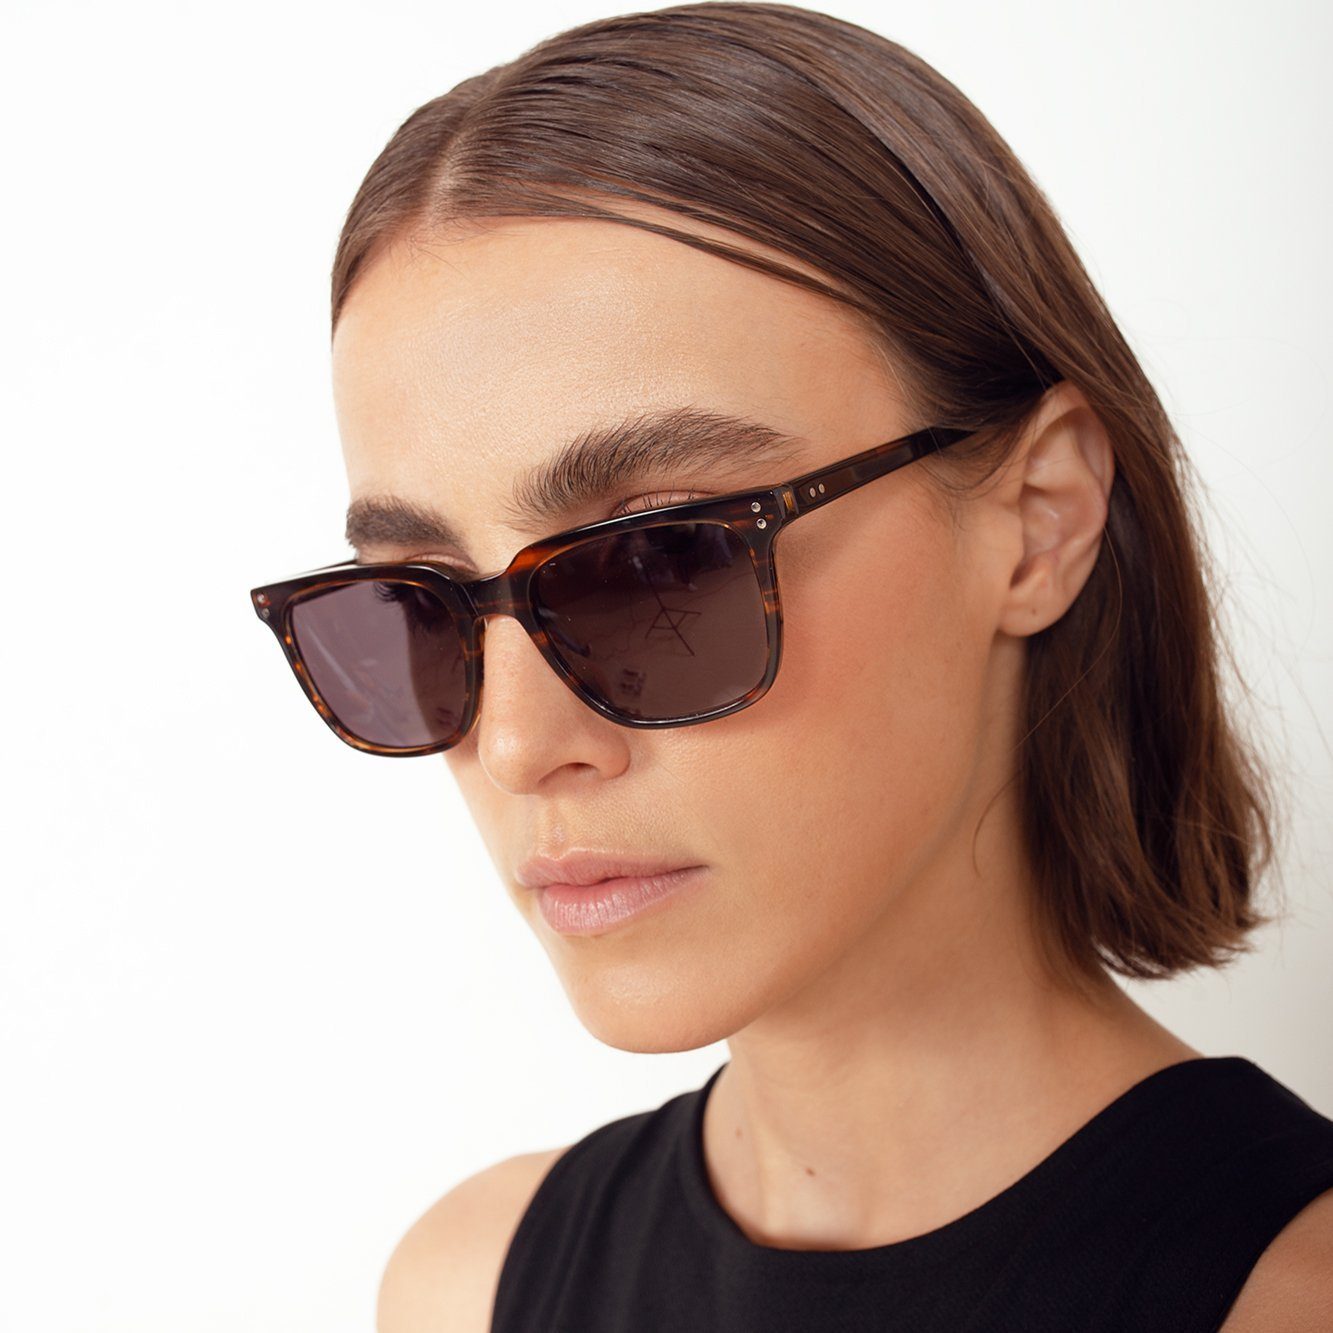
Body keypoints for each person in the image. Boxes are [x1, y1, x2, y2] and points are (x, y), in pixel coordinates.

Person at [248, 3, 1333, 1328]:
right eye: (421, 602)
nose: (520, 745)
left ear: (1039, 519)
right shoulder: (466, 1287)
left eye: (657, 559)